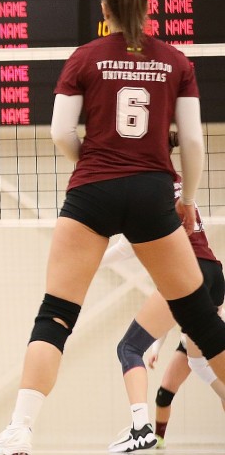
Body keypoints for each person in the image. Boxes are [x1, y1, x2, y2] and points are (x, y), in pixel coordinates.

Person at [0, 0, 225, 455]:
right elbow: (194, 142)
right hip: (153, 192)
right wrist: (186, 200)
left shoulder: (85, 57)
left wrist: (91, 165)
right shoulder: (176, 62)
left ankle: (20, 431)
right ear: (148, 7)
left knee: (55, 314)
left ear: (104, 9)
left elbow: (60, 132)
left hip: (92, 190)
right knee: (200, 320)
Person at [103, 171, 225, 453]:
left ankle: (140, 429)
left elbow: (125, 248)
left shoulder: (139, 185)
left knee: (129, 348)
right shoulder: (177, 180)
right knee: (199, 363)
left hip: (185, 273)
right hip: (213, 275)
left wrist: (87, 263)